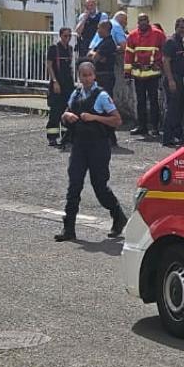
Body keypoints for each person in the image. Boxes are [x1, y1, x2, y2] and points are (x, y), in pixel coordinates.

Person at [55, 62, 128, 242]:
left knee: (100, 187)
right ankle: (69, 227)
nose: (86, 78)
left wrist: (94, 117)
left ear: (94, 76)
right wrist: (66, 116)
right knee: (74, 185)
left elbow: (117, 120)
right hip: (79, 145)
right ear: (79, 77)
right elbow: (65, 113)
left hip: (98, 146)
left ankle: (118, 216)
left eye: (89, 75)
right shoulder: (76, 94)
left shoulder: (101, 96)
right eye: (83, 75)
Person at [124, 13, 165, 137]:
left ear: (148, 21)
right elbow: (128, 54)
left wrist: (160, 65)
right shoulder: (132, 35)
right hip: (138, 74)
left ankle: (155, 127)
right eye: (140, 20)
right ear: (138, 22)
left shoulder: (158, 34)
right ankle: (142, 126)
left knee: (154, 101)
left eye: (145, 20)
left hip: (153, 74)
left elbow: (165, 51)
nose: (143, 22)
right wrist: (127, 72)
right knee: (140, 102)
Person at [89, 20, 120, 148]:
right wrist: (95, 55)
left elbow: (94, 58)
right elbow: (92, 55)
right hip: (102, 77)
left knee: (106, 108)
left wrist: (95, 55)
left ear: (105, 28)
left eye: (99, 28)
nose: (98, 31)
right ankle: (106, 136)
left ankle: (110, 137)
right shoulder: (103, 42)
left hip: (105, 77)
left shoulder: (107, 43)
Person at [161, 18, 184, 147]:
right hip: (173, 78)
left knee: (180, 107)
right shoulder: (170, 42)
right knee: (172, 108)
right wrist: (171, 80)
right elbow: (166, 61)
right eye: (181, 27)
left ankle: (178, 134)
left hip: (179, 78)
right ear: (176, 27)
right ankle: (167, 137)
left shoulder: (180, 43)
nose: (183, 30)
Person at [45, 27, 75, 146]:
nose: (67, 38)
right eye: (65, 36)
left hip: (68, 83)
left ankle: (66, 137)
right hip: (57, 82)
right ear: (60, 36)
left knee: (67, 110)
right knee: (55, 111)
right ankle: (52, 137)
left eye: (69, 36)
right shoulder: (54, 49)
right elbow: (49, 66)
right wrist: (54, 81)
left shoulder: (70, 49)